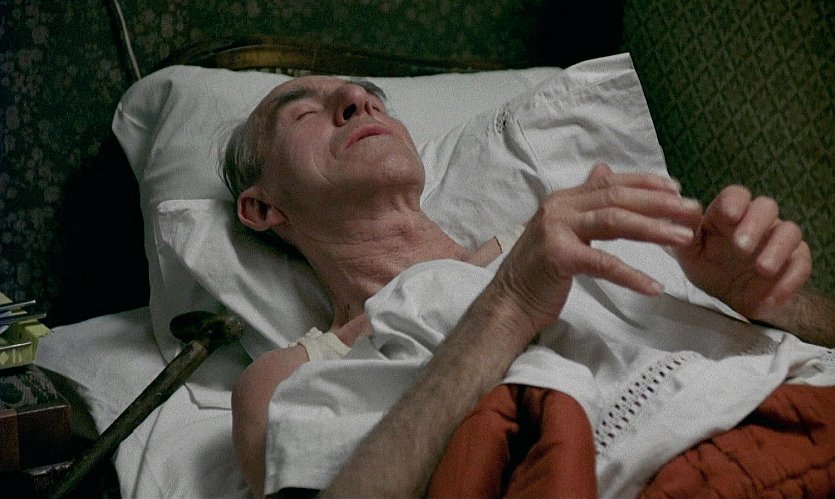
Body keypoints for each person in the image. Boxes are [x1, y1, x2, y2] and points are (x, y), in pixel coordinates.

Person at [223, 75, 834, 498]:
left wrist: (770, 305)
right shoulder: (288, 376)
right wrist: (510, 302)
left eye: (372, 97)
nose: (357, 99)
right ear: (262, 207)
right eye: (302, 112)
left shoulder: (585, 219)